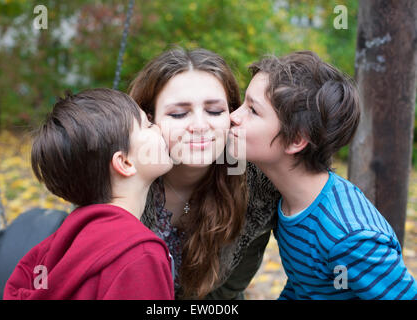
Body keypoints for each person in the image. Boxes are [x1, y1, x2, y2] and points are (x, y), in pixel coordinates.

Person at [228, 50, 417, 299]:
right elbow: (304, 287)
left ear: (296, 139)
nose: (233, 117)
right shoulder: (287, 202)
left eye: (253, 110)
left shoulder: (349, 237)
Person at [129, 47, 280, 299]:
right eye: (179, 113)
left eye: (214, 111)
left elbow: (230, 288)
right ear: (149, 118)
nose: (200, 126)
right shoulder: (119, 174)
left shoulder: (255, 186)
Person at [4, 88, 175, 300]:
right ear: (125, 162)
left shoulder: (55, 248)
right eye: (147, 125)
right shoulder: (139, 255)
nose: (158, 128)